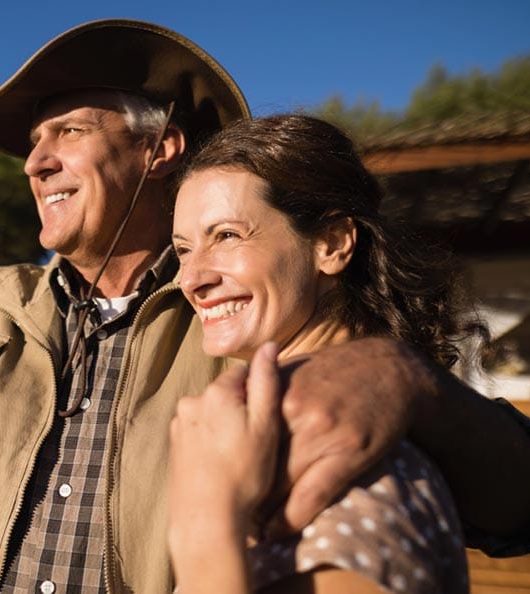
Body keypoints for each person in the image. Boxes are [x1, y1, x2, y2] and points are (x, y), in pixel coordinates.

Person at [0, 19, 530, 594]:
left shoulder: (251, 314)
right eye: (30, 146)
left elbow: (527, 511)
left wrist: (403, 374)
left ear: (158, 147)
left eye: (64, 131)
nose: (35, 162)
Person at [167, 114, 490, 592]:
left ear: (333, 244)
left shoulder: (348, 466)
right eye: (183, 250)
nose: (191, 279)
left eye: (228, 236)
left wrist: (204, 526)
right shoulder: (291, 433)